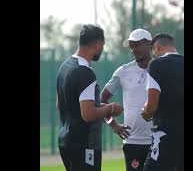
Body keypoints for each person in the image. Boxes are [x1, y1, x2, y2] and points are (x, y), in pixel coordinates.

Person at [56, 24, 123, 171]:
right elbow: (87, 114)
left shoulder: (65, 66)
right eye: (103, 45)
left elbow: (59, 103)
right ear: (97, 45)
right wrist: (111, 108)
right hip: (84, 144)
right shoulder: (85, 72)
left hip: (65, 141)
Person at [100, 29, 153, 171]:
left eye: (137, 45)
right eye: (131, 46)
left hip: (158, 140)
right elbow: (101, 99)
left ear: (149, 44)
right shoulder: (123, 71)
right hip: (132, 142)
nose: (133, 50)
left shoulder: (161, 69)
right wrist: (113, 124)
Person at [141, 33, 184, 171]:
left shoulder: (156, 64)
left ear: (157, 47)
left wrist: (145, 111)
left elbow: (151, 107)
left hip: (165, 136)